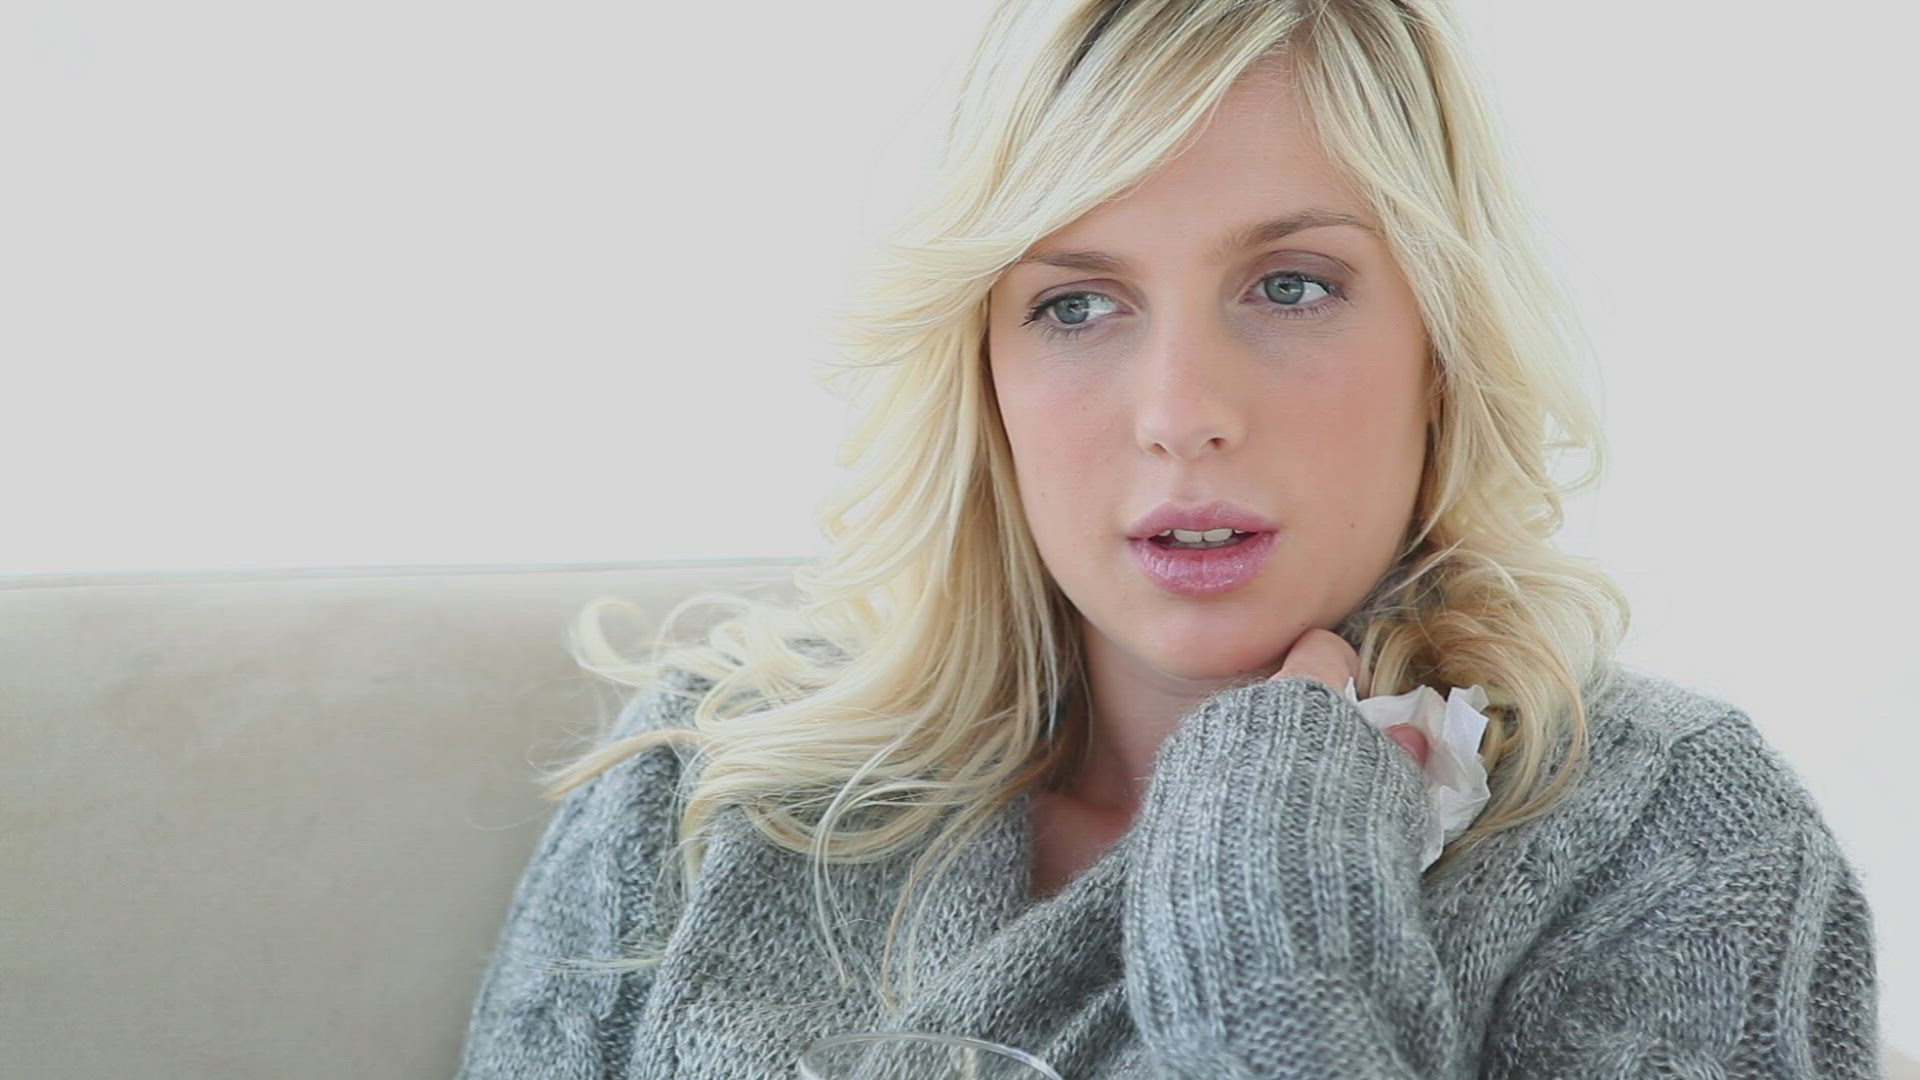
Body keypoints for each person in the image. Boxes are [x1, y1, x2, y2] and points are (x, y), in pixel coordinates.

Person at [455, 1, 1882, 1076]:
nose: (1182, 414)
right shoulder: (707, 789)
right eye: (1076, 304)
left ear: (1443, 348)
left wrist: (1271, 889)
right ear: (983, 374)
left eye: (1293, 285)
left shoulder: (1673, 846)